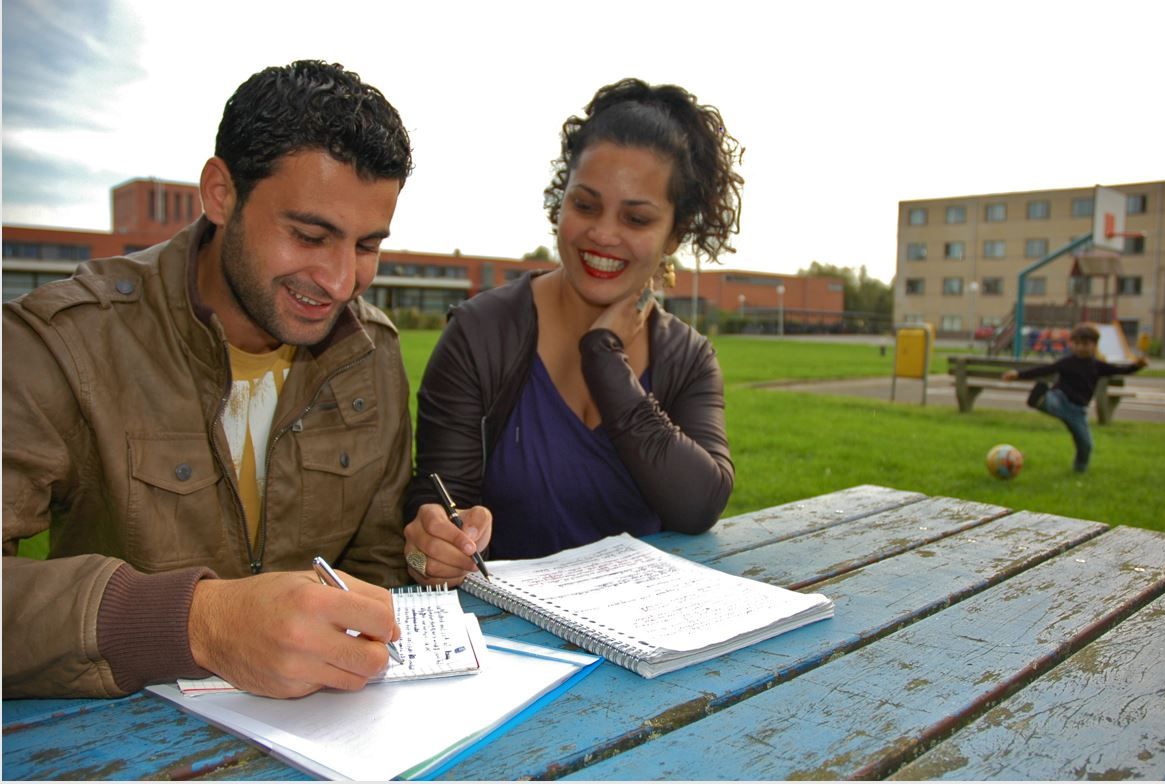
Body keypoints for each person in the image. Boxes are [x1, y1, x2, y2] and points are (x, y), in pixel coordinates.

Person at [3, 60, 415, 699]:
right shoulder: (65, 342)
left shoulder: (372, 353)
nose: (340, 282)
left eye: (366, 246)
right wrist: (197, 622)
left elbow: (376, 568)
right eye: (309, 234)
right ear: (221, 193)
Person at [401, 77, 742, 584]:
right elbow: (437, 498)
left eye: (636, 218)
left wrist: (604, 357)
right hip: (507, 640)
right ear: (560, 201)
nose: (603, 234)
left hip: (646, 633)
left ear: (674, 233)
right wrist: (432, 542)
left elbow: (698, 505)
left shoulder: (688, 358)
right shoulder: (480, 334)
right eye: (585, 205)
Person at [1001, 322, 1147, 472]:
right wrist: (1018, 374)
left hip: (1078, 411)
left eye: (1085, 344)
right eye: (1076, 343)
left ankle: (1079, 469)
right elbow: (1045, 369)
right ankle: (1039, 400)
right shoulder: (1067, 363)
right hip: (1061, 399)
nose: (1080, 347)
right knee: (1052, 401)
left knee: (1086, 445)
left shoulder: (1098, 366)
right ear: (1071, 344)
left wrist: (1137, 366)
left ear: (1095, 345)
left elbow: (1120, 370)